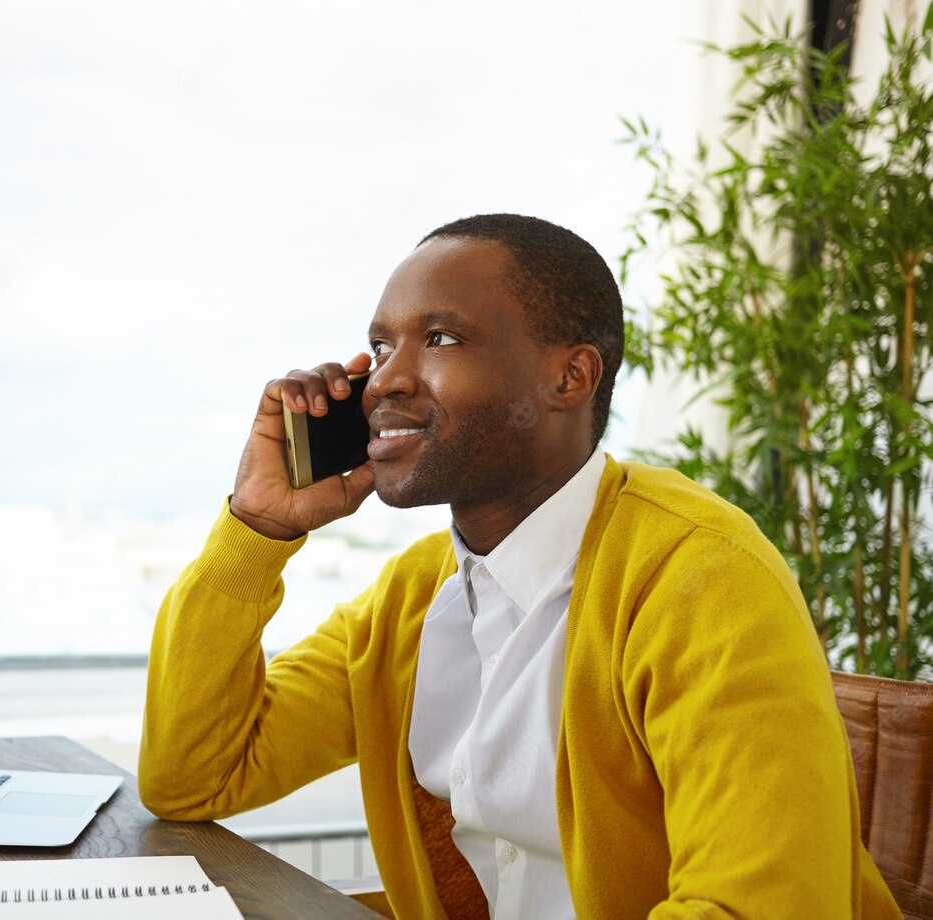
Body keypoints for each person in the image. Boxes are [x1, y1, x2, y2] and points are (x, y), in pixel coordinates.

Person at [138, 214, 899, 919]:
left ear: (570, 379)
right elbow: (193, 774)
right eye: (381, 345)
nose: (386, 381)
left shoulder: (703, 579)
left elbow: (757, 908)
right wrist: (258, 529)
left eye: (440, 339)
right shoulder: (412, 598)